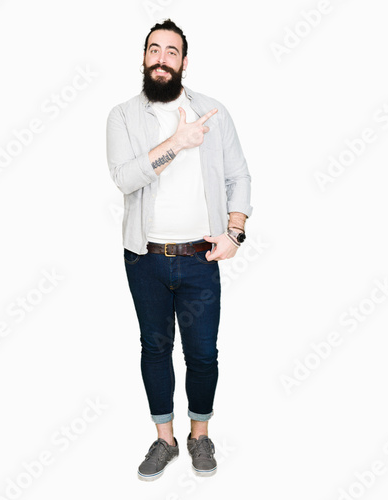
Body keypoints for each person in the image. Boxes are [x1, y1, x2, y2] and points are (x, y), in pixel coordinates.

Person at [106, 19, 252, 481]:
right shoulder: (124, 116)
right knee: (155, 348)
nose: (162, 58)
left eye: (172, 52)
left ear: (184, 62)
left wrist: (235, 232)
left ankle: (200, 435)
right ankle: (164, 439)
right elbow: (125, 178)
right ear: (144, 58)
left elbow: (239, 177)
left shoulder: (214, 111)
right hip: (144, 257)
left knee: (203, 353)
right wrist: (177, 142)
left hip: (199, 257)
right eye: (154, 50)